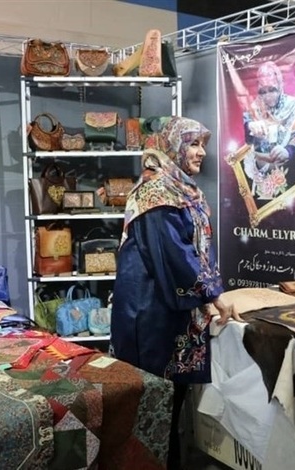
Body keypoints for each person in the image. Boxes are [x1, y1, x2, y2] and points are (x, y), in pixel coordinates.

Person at [110, 116, 239, 470]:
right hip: (150, 317)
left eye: (203, 145)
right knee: (153, 410)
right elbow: (174, 254)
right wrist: (213, 295)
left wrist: (208, 295)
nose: (201, 153)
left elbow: (194, 249)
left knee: (169, 410)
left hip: (170, 310)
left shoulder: (180, 188)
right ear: (173, 146)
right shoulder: (156, 192)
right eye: (193, 144)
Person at [243, 61, 295, 199]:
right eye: (263, 92)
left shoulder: (293, 106)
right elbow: (247, 141)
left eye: (272, 90)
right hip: (260, 170)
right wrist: (249, 126)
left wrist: (288, 151)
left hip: (289, 171)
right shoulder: (253, 108)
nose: (267, 96)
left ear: (280, 85)